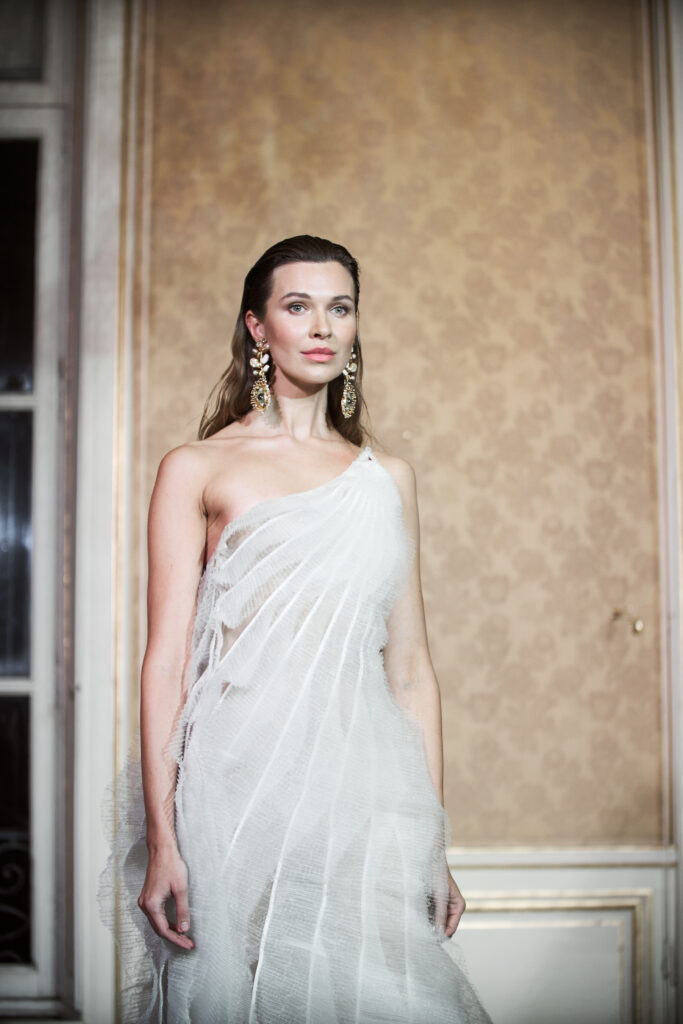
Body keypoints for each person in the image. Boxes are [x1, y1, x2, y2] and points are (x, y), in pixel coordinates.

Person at [98, 235, 493, 1023]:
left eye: (338, 308)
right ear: (258, 327)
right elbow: (166, 661)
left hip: (362, 789)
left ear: (354, 326)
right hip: (233, 784)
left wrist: (430, 846)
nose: (320, 326)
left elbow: (410, 671)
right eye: (297, 306)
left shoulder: (387, 479)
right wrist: (165, 841)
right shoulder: (196, 467)